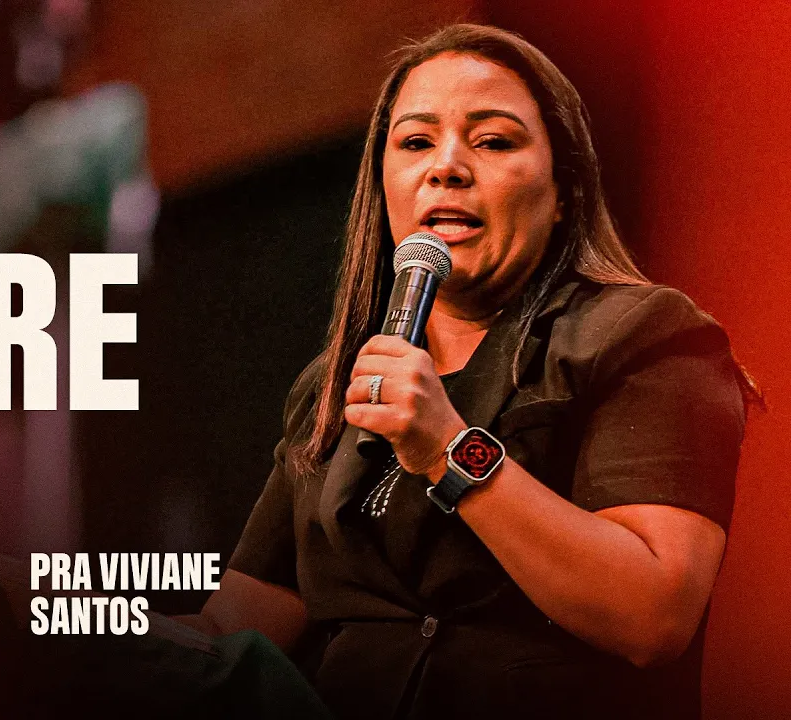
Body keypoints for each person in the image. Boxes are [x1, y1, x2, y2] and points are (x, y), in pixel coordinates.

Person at [181, 23, 755, 719]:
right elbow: (230, 632)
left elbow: (653, 615)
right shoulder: (334, 385)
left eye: (493, 141)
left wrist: (447, 449)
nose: (446, 166)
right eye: (416, 142)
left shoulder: (645, 336)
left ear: (565, 189)